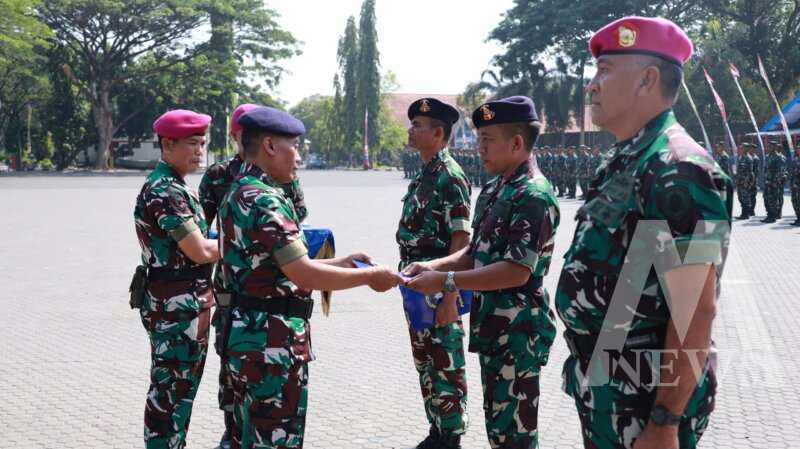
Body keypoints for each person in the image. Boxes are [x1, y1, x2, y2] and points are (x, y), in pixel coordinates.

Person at [555, 17, 733, 449]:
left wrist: (665, 422)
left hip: (645, 401)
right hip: (610, 385)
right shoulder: (628, 159)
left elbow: (694, 311)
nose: (592, 86)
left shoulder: (678, 169)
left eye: (604, 71)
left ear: (647, 80)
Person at [218, 106, 401, 449]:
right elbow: (302, 273)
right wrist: (369, 277)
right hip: (270, 346)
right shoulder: (265, 200)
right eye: (295, 146)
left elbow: (275, 265)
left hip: (248, 338)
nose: (299, 157)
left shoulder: (240, 190)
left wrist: (343, 263)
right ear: (270, 146)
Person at [404, 96, 560, 449]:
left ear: (516, 143)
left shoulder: (533, 195)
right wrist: (432, 265)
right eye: (479, 139)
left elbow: (516, 271)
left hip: (519, 333)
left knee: (515, 437)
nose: (480, 148)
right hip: (494, 328)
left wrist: (446, 281)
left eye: (487, 140)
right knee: (499, 431)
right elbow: (475, 252)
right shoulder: (495, 188)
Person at [133, 109, 221, 449]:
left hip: (184, 304)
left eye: (202, 144)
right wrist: (252, 242)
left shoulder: (177, 186)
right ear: (168, 144)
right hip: (176, 309)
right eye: (192, 143)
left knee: (179, 393)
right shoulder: (165, 190)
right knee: (170, 396)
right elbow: (199, 250)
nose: (200, 151)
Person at [397, 98, 472, 449]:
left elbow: (461, 244)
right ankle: (437, 430)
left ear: (438, 133)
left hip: (439, 285)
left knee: (445, 362)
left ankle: (451, 437)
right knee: (426, 361)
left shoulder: (450, 176)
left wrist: (451, 297)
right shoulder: (424, 173)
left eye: (418, 126)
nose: (411, 131)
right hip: (417, 285)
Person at [198, 103, 257, 449]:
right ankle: (232, 431)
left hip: (271, 291)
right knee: (231, 366)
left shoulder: (282, 173)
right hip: (230, 290)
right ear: (235, 134)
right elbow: (200, 228)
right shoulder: (218, 175)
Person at [762, 140, 788, 223]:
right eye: (769, 146)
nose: (769, 148)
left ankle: (773, 216)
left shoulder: (779, 157)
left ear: (775, 147)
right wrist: (765, 179)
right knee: (766, 198)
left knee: (774, 199)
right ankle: (769, 214)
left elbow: (780, 171)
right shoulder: (767, 157)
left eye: (771, 146)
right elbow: (765, 169)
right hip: (767, 181)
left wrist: (775, 182)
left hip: (774, 183)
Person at [734, 143, 754, 219]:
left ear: (746, 149)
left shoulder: (749, 158)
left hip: (745, 182)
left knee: (745, 198)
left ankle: (745, 214)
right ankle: (743, 213)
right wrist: (737, 180)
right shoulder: (740, 157)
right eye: (741, 148)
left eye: (742, 148)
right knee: (740, 197)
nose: (741, 149)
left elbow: (750, 172)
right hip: (740, 181)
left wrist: (746, 181)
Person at [790, 146, 800, 226]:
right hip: (794, 185)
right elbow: (792, 173)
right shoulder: (795, 160)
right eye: (798, 149)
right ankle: (798, 218)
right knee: (795, 201)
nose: (798, 150)